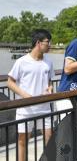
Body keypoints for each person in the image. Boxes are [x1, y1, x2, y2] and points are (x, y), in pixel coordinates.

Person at [7, 29, 54, 161]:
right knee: (22, 141)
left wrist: (50, 88)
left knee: (50, 140)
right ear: (38, 43)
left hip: (44, 108)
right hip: (25, 109)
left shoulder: (48, 62)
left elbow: (49, 81)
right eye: (48, 42)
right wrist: (26, 96)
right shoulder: (22, 61)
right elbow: (10, 82)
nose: (50, 45)